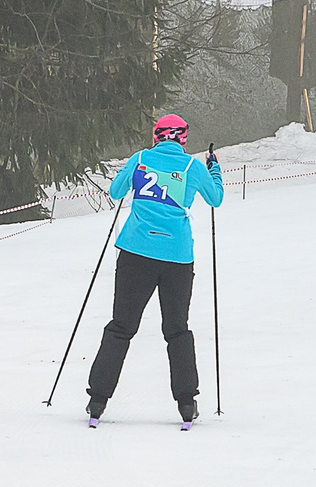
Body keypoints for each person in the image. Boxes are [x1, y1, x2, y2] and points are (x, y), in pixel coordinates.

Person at [86, 113, 224, 428]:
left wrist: (132, 173)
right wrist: (214, 169)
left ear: (156, 136)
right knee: (177, 329)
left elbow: (116, 192)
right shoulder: (192, 167)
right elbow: (215, 198)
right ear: (183, 138)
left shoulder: (140, 159)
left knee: (121, 326)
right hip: (177, 257)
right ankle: (187, 403)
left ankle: (97, 401)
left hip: (136, 253)